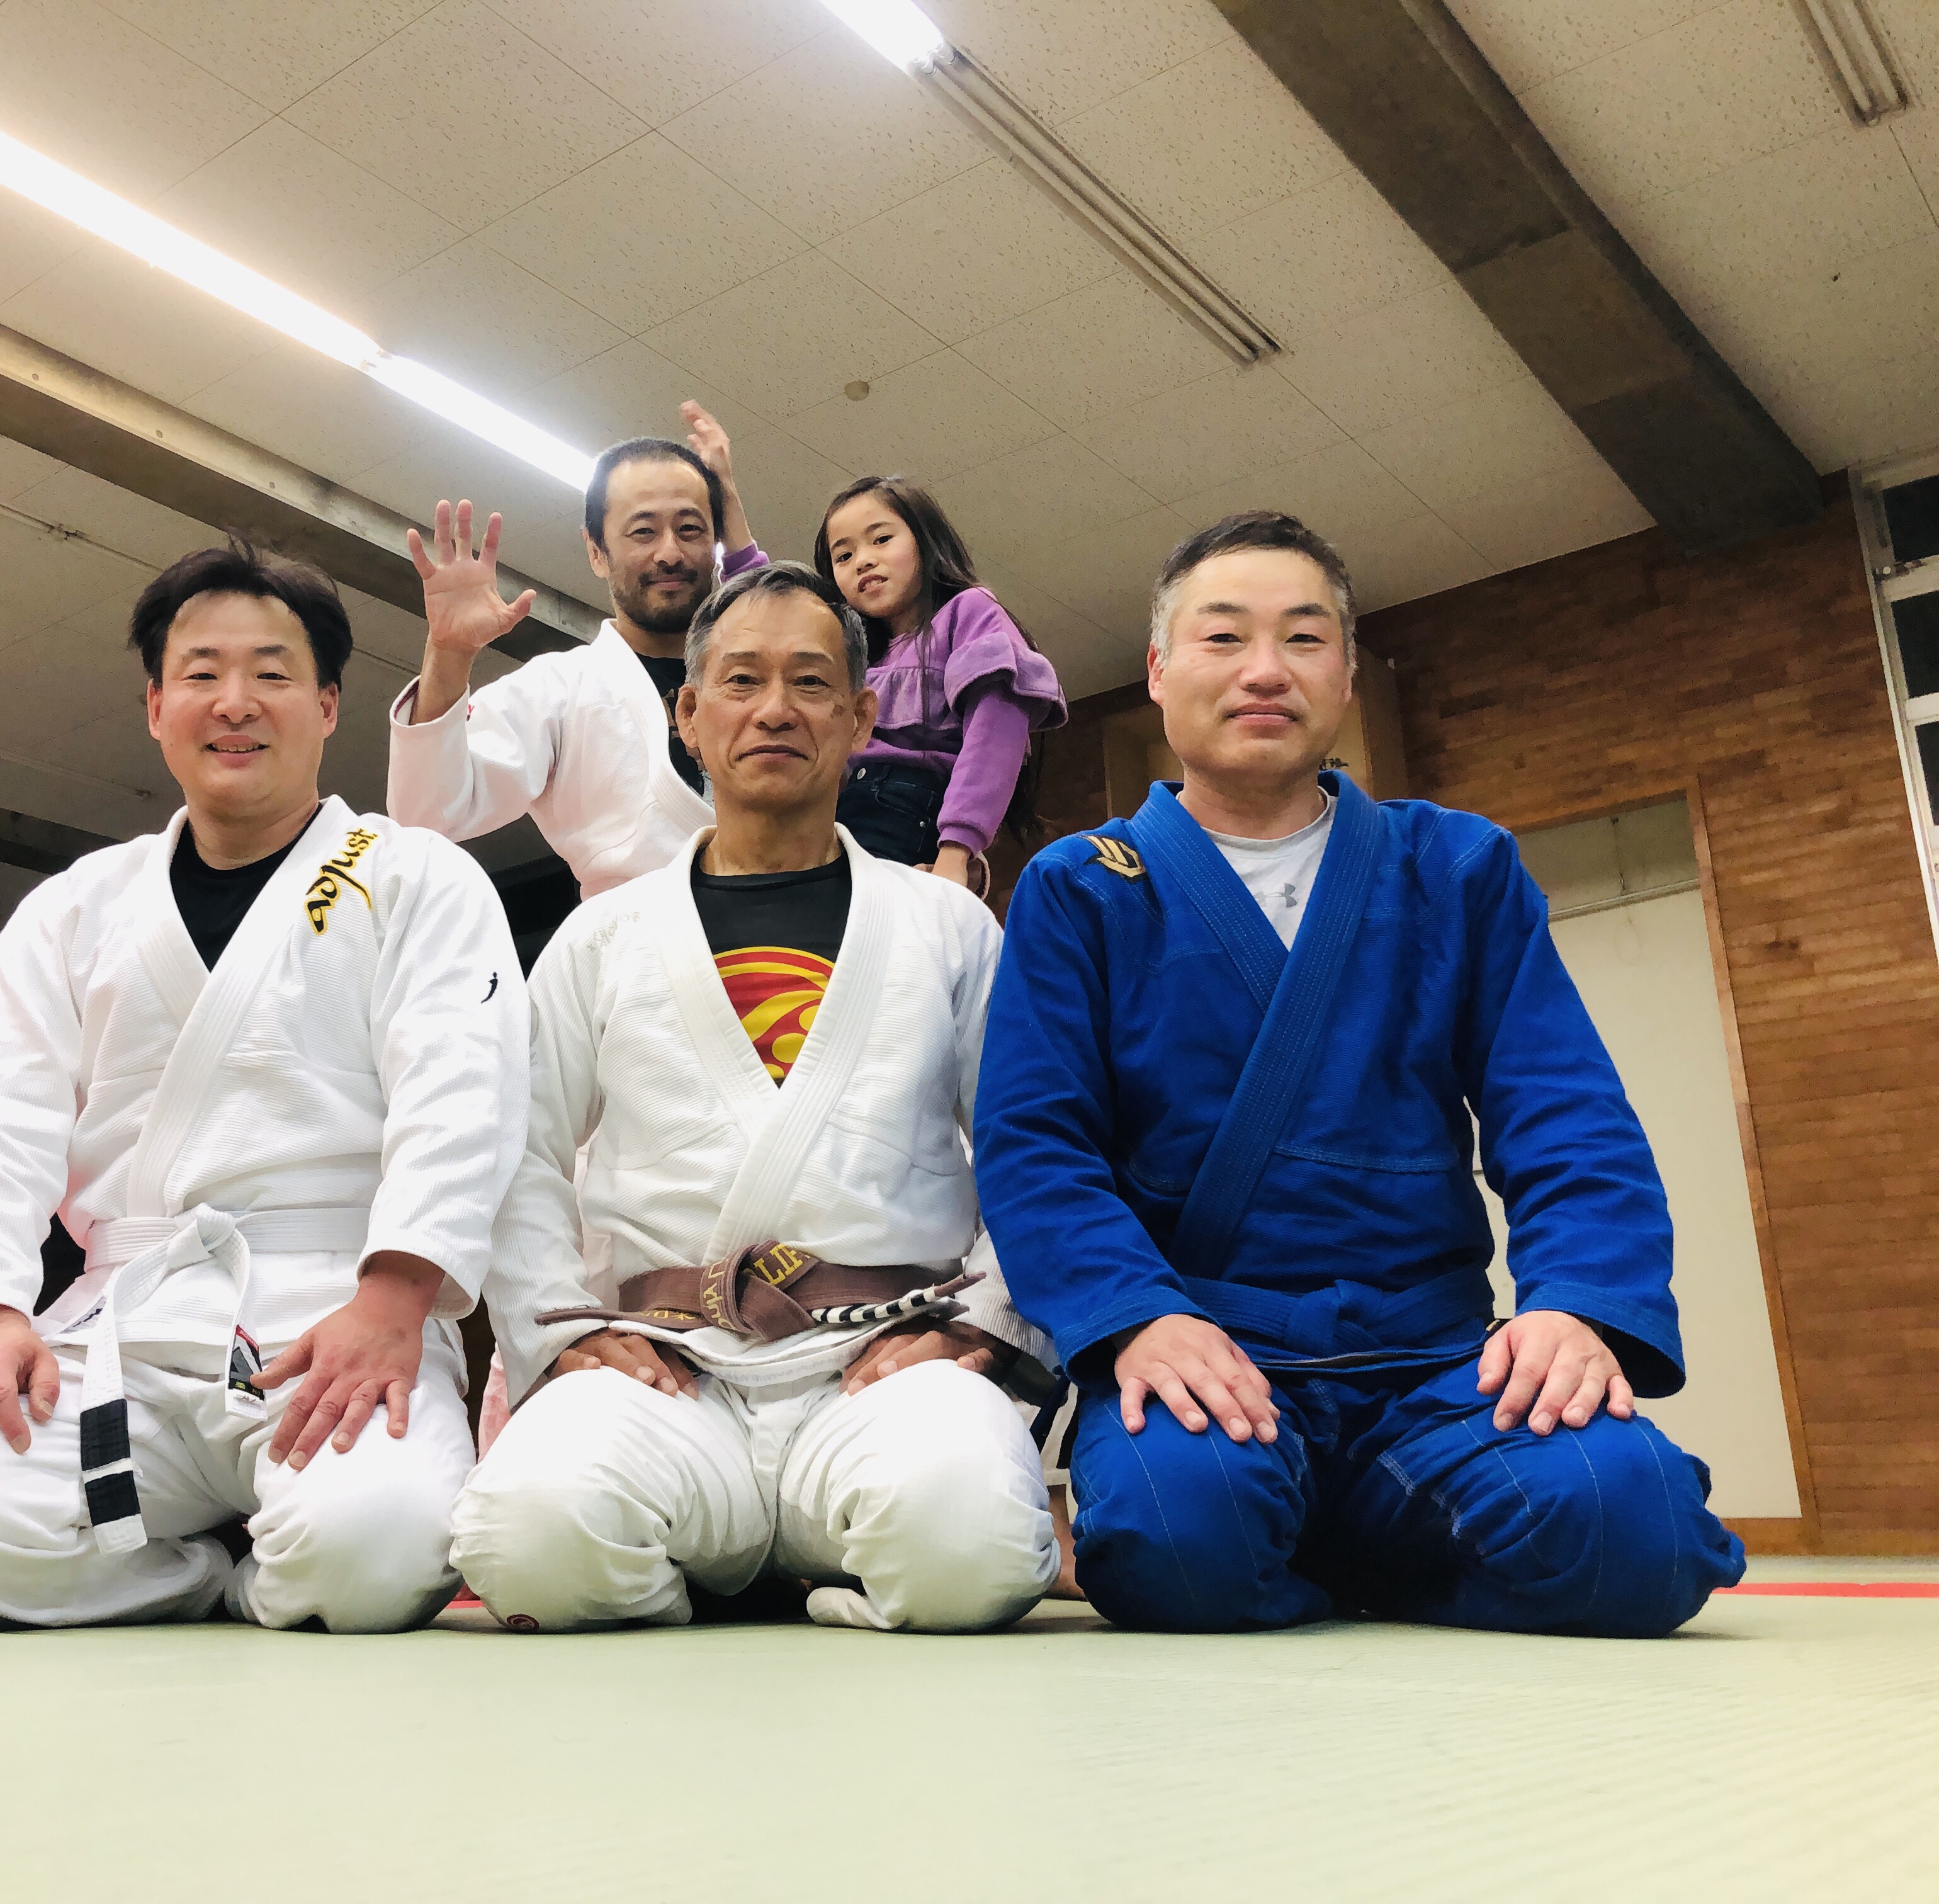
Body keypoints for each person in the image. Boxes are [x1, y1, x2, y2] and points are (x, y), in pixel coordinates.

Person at [973, 510, 1745, 1638]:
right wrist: (1136, 1318)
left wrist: (1576, 1304)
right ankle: (1336, 1536)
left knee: (1638, 1527)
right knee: (1175, 1539)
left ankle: (1344, 1546)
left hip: (1437, 1361)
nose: (1264, 670)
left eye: (1302, 638)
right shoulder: (1083, 884)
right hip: (1210, 1353)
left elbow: (1566, 1115)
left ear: (1344, 674)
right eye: (1223, 637)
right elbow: (1036, 1145)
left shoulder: (1457, 864)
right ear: (1159, 673)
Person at [0, 540, 528, 1633]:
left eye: (271, 673)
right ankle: (202, 1576)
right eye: (201, 673)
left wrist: (395, 1299)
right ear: (157, 707)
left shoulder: (412, 876)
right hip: (121, 1322)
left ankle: (244, 1567)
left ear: (328, 706)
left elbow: (464, 1096)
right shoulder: (77, 906)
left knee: (374, 1550)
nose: (234, 702)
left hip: (337, 1315)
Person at [450, 562, 1062, 1633]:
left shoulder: (949, 925)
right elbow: (521, 1148)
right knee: (525, 1536)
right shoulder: (602, 935)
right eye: (741, 680)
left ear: (861, 718)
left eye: (810, 681)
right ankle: (740, 1579)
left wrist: (983, 1321)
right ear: (688, 715)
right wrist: (559, 1333)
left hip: (883, 1361)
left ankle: (785, 1578)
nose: (774, 708)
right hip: (673, 1368)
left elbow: (1028, 1147)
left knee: (976, 1548)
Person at [387, 404, 769, 897]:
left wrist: (729, 496)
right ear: (596, 551)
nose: (670, 553)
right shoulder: (558, 689)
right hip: (636, 934)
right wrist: (450, 653)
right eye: (643, 531)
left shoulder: (769, 677)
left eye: (690, 529)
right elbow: (427, 816)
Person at [815, 476, 1066, 895]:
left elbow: (994, 733)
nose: (863, 561)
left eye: (881, 539)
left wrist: (956, 852)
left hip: (905, 812)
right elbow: (771, 630)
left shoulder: (968, 610)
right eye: (844, 555)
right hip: (837, 818)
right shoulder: (857, 658)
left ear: (925, 540)